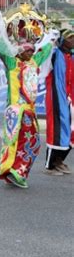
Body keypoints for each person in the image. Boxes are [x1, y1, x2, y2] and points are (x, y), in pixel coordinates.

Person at [0, 32, 54, 187]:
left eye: (32, 51)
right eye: (27, 51)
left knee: (33, 142)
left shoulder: (33, 63)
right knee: (15, 142)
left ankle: (18, 171)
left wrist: (50, 37)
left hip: (29, 111)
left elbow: (44, 51)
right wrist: (3, 31)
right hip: (16, 110)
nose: (31, 53)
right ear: (19, 52)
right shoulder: (12, 63)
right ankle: (12, 171)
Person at [44, 29, 74, 175]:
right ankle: (50, 165)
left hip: (69, 98)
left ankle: (59, 160)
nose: (73, 41)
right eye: (70, 38)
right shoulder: (54, 54)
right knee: (56, 130)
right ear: (62, 40)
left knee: (69, 131)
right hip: (55, 96)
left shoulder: (72, 56)